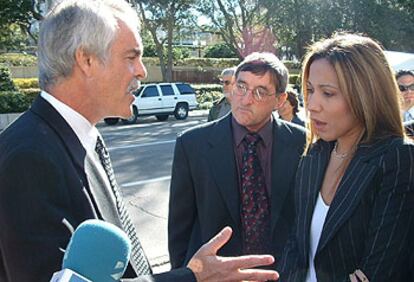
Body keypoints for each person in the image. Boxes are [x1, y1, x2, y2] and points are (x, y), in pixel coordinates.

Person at [0, 1, 279, 281]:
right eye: (131, 57)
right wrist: (192, 277)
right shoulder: (27, 157)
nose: (142, 71)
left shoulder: (78, 138)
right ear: (86, 60)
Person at [278, 33, 414, 281]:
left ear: (367, 94)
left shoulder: (397, 157)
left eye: (328, 93)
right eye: (309, 90)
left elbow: (380, 268)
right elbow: (295, 245)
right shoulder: (314, 153)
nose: (312, 105)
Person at [168, 52, 306, 271]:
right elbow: (179, 230)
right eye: (241, 87)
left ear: (279, 100)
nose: (246, 98)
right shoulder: (192, 145)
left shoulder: (302, 143)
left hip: (283, 272)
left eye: (260, 92)